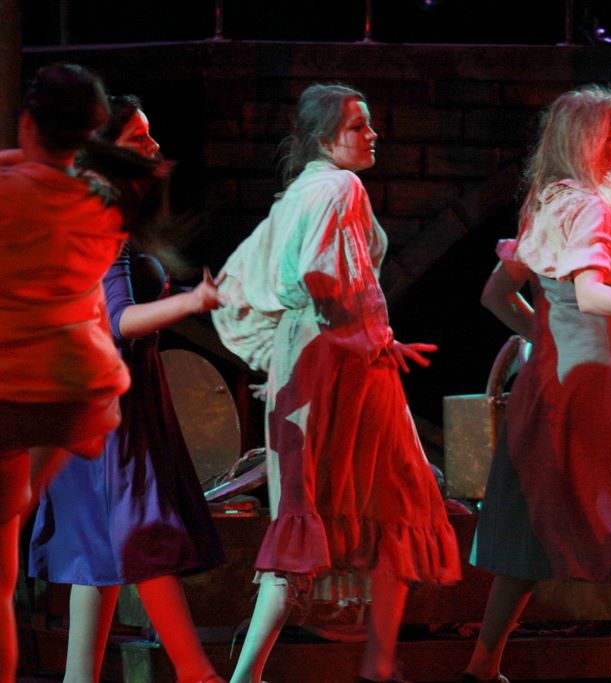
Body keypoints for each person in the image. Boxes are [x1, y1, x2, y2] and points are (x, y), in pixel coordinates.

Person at [212, 83, 461, 683]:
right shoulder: (338, 186)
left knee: (338, 508)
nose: (373, 135)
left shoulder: (302, 190)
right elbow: (323, 277)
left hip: (324, 357)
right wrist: (368, 337)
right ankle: (345, 667)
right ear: (325, 138)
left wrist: (282, 355)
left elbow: (243, 285)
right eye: (358, 126)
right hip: (342, 365)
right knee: (384, 501)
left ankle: (364, 664)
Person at [463, 85, 611, 683]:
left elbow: (495, 295)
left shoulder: (546, 204)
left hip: (542, 389)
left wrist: (545, 338)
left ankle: (482, 665)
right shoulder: (594, 208)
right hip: (595, 388)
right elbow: (589, 294)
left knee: (528, 531)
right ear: (581, 143)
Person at [28, 95, 227, 683]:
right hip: (113, 410)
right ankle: (197, 673)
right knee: (143, 537)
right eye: (139, 137)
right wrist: (192, 301)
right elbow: (117, 320)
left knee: (104, 553)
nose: (154, 147)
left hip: (100, 404)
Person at [0, 63, 164, 683]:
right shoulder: (102, 203)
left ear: (29, 123)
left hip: (21, 390)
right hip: (78, 402)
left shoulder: (18, 191)